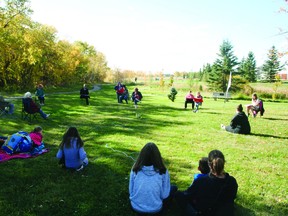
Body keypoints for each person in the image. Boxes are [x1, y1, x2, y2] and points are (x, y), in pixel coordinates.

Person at [175, 150, 238, 216]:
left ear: (209, 165)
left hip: (205, 212)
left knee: (178, 194)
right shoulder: (232, 181)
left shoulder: (201, 181)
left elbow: (187, 195)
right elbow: (232, 197)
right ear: (224, 163)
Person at [129, 142, 177, 215]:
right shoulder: (163, 170)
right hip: (155, 209)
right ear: (158, 156)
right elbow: (164, 195)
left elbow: (131, 190)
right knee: (174, 188)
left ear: (141, 155)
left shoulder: (135, 168)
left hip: (136, 206)